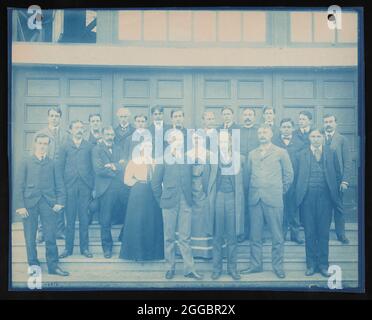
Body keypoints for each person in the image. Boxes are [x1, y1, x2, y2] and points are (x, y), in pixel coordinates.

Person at [241, 125, 293, 279]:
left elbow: (289, 175)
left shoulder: (281, 152)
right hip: (255, 199)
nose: (261, 134)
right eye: (259, 132)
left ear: (271, 134)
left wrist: (278, 190)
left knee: (277, 236)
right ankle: (255, 265)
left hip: (274, 199)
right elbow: (247, 176)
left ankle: (277, 267)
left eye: (264, 131)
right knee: (255, 236)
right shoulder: (252, 154)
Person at [152, 127, 203, 280]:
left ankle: (189, 269)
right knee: (168, 237)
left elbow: (196, 175)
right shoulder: (162, 158)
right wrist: (162, 200)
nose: (177, 142)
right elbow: (155, 184)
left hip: (185, 202)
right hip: (169, 203)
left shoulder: (188, 158)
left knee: (185, 237)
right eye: (174, 139)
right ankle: (170, 268)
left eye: (180, 139)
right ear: (169, 141)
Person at [14, 133, 69, 276]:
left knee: (50, 235)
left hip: (48, 203)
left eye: (46, 144)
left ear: (48, 146)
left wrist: (60, 202)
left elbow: (60, 184)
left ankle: (53, 266)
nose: (43, 146)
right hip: (29, 203)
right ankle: (33, 265)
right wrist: (20, 205)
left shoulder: (53, 163)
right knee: (30, 236)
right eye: (40, 143)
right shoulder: (26, 161)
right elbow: (19, 185)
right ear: (35, 144)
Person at [295, 129, 343, 277]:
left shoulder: (331, 153)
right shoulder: (300, 155)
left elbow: (337, 174)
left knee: (323, 233)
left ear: (323, 138)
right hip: (307, 198)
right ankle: (310, 265)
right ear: (309, 138)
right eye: (313, 136)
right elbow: (296, 177)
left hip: (326, 199)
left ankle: (323, 265)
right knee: (309, 233)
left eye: (318, 136)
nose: (316, 139)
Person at [119, 141, 164, 261]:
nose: (148, 149)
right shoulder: (134, 162)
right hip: (138, 193)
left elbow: (159, 178)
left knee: (152, 221)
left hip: (152, 192)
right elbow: (127, 179)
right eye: (146, 147)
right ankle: (136, 254)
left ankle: (153, 254)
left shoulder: (155, 162)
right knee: (138, 222)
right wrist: (138, 183)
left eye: (150, 147)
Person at [57, 120, 94, 259]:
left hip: (85, 187)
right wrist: (61, 189)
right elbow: (59, 168)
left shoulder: (89, 146)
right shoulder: (64, 146)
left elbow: (93, 168)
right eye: (76, 128)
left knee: (84, 218)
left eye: (81, 127)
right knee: (70, 219)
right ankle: (68, 249)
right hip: (69, 187)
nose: (79, 130)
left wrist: (92, 187)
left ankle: (85, 248)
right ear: (70, 130)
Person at [211, 132, 244, 281]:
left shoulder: (238, 158)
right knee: (217, 235)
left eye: (226, 141)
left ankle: (232, 269)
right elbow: (207, 180)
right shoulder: (213, 158)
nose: (223, 144)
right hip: (218, 197)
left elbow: (245, 180)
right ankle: (216, 269)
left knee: (232, 235)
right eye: (221, 141)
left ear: (230, 142)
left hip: (232, 197)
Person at [92, 126, 127, 258]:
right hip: (105, 189)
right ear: (102, 134)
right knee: (105, 220)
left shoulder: (119, 148)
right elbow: (99, 169)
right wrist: (117, 168)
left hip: (121, 188)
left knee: (129, 212)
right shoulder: (96, 149)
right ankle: (107, 247)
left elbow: (124, 164)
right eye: (107, 134)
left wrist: (112, 166)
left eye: (112, 134)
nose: (110, 136)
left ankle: (124, 237)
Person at [35, 107, 68, 242]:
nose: (54, 118)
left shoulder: (66, 134)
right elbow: (36, 153)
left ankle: (59, 230)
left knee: (60, 199)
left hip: (61, 172)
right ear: (48, 117)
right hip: (45, 171)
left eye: (57, 116)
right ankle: (41, 231)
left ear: (60, 118)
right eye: (52, 116)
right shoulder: (40, 133)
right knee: (44, 200)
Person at [188, 113, 218, 259]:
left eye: (199, 139)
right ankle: (192, 251)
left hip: (204, 191)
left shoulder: (210, 154)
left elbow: (213, 174)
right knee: (191, 220)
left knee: (204, 218)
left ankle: (205, 251)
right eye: (194, 139)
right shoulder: (186, 154)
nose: (196, 141)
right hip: (190, 193)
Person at [272, 118, 304, 244]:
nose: (286, 129)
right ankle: (282, 233)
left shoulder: (300, 143)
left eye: (288, 127)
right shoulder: (274, 142)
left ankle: (295, 234)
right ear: (280, 129)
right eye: (284, 127)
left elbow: (302, 163)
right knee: (281, 208)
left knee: (294, 207)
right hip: (278, 181)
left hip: (295, 181)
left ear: (292, 128)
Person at [323, 114, 352, 244]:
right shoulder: (318, 137)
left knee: (338, 208)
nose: (328, 124)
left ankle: (341, 234)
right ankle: (323, 233)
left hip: (337, 180)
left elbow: (347, 161)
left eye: (330, 122)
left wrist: (345, 180)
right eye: (326, 122)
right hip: (322, 181)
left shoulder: (341, 139)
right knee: (324, 209)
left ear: (336, 123)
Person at [239, 107, 260, 241]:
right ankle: (243, 232)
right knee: (242, 203)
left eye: (250, 114)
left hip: (256, 171)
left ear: (254, 117)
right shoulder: (237, 131)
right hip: (240, 172)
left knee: (256, 203)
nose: (247, 117)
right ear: (242, 117)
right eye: (245, 114)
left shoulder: (259, 131)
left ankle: (256, 234)